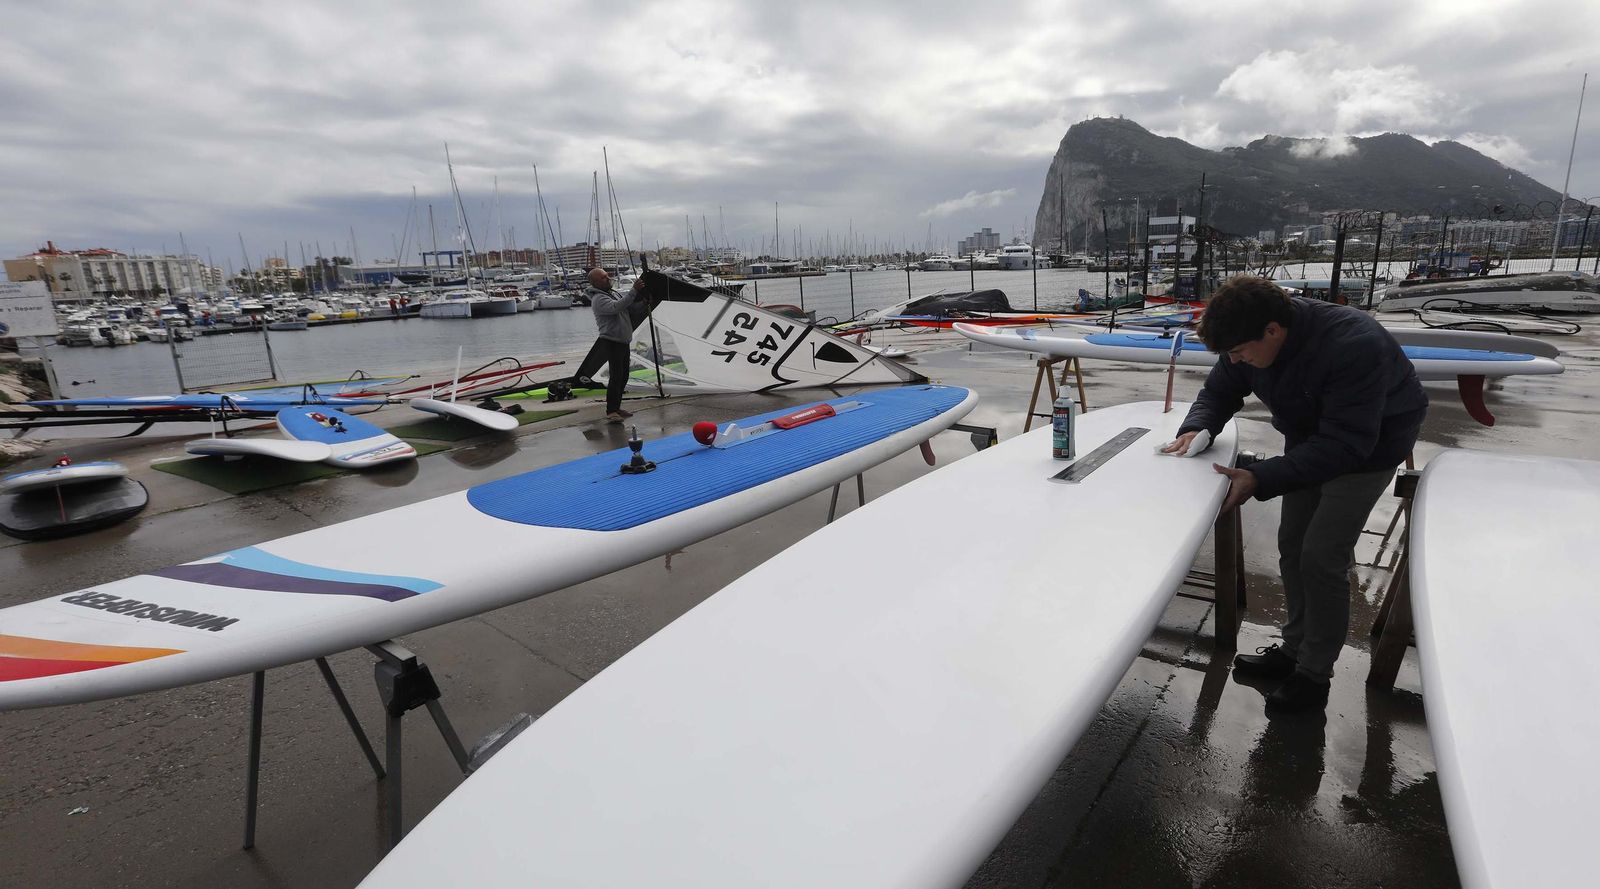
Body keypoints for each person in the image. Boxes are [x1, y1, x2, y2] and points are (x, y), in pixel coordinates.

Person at [1162, 276, 1427, 714]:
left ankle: (1313, 676)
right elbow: (1219, 391)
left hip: (1369, 447)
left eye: (1240, 352)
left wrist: (1260, 478)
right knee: (1292, 545)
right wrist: (1197, 427)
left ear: (1273, 330)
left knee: (1322, 556)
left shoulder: (1354, 344)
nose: (1236, 360)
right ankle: (1293, 649)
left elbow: (1346, 445)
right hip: (1310, 436)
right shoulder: (1244, 336)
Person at [584, 267, 647, 423]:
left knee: (623, 375)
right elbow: (616, 307)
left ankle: (617, 407)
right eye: (604, 277)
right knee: (616, 376)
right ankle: (611, 411)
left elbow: (629, 308)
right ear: (595, 283)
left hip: (622, 340)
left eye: (607, 276)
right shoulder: (598, 299)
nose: (608, 278)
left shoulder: (613, 293)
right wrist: (633, 290)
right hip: (611, 340)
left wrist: (644, 303)